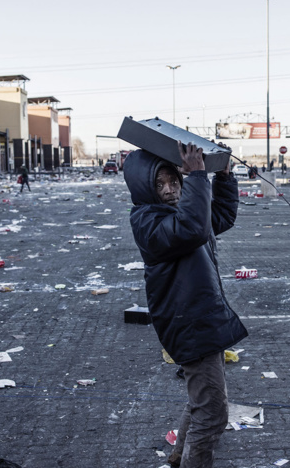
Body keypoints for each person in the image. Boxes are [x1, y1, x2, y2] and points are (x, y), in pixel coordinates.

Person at [124, 142, 247, 468]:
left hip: (202, 319)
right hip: (190, 324)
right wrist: (197, 177)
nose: (168, 191)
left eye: (173, 182)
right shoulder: (148, 222)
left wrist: (223, 177)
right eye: (159, 184)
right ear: (144, 188)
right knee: (213, 415)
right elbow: (193, 227)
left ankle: (178, 458)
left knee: (201, 403)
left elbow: (218, 216)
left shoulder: (182, 210)